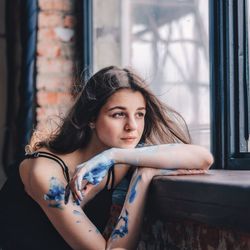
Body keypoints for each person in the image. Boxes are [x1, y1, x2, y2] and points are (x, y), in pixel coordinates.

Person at [0, 66, 213, 250]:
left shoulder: (117, 156)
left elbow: (202, 158)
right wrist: (145, 174)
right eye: (118, 114)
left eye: (139, 114)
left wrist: (116, 157)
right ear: (91, 118)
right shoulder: (45, 173)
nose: (133, 126)